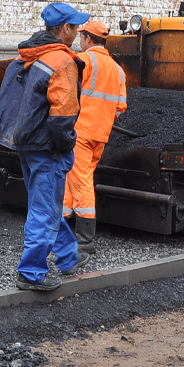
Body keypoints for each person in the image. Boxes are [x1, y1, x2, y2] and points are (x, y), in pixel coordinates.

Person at [0, 3, 93, 291]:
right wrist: (67, 144)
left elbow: (10, 102)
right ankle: (31, 273)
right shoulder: (62, 61)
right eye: (74, 28)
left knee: (45, 204)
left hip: (27, 143)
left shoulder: (26, 55)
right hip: (48, 146)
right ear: (65, 29)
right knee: (45, 209)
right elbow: (62, 117)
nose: (76, 33)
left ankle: (67, 257)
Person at [63, 20, 127, 255]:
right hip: (101, 134)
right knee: (77, 176)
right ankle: (60, 225)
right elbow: (120, 106)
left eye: (82, 37)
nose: (80, 41)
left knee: (81, 182)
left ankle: (85, 240)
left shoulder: (85, 60)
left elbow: (68, 92)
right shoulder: (118, 70)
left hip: (80, 131)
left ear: (88, 39)